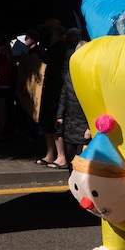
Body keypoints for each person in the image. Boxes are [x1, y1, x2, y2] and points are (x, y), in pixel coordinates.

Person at [35, 18, 68, 168]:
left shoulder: (60, 46)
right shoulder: (50, 47)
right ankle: (50, 154)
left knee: (55, 120)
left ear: (54, 31)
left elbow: (52, 65)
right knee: (46, 121)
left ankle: (61, 156)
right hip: (47, 87)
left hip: (55, 88)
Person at [55, 40, 90, 171]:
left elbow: (95, 104)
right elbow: (63, 96)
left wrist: (90, 127)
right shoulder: (70, 75)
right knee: (71, 160)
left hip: (84, 127)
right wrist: (60, 116)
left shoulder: (91, 75)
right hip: (70, 125)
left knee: (81, 164)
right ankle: (71, 183)